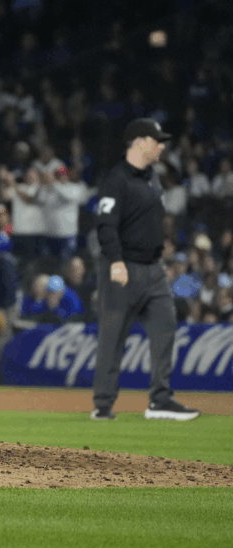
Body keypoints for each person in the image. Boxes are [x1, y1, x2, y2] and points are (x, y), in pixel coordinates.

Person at [92, 118, 200, 421]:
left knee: (166, 326)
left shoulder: (153, 177)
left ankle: (160, 399)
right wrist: (115, 260)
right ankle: (103, 404)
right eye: (157, 141)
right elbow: (105, 225)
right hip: (123, 268)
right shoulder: (117, 179)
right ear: (139, 142)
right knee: (113, 336)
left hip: (154, 269)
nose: (162, 146)